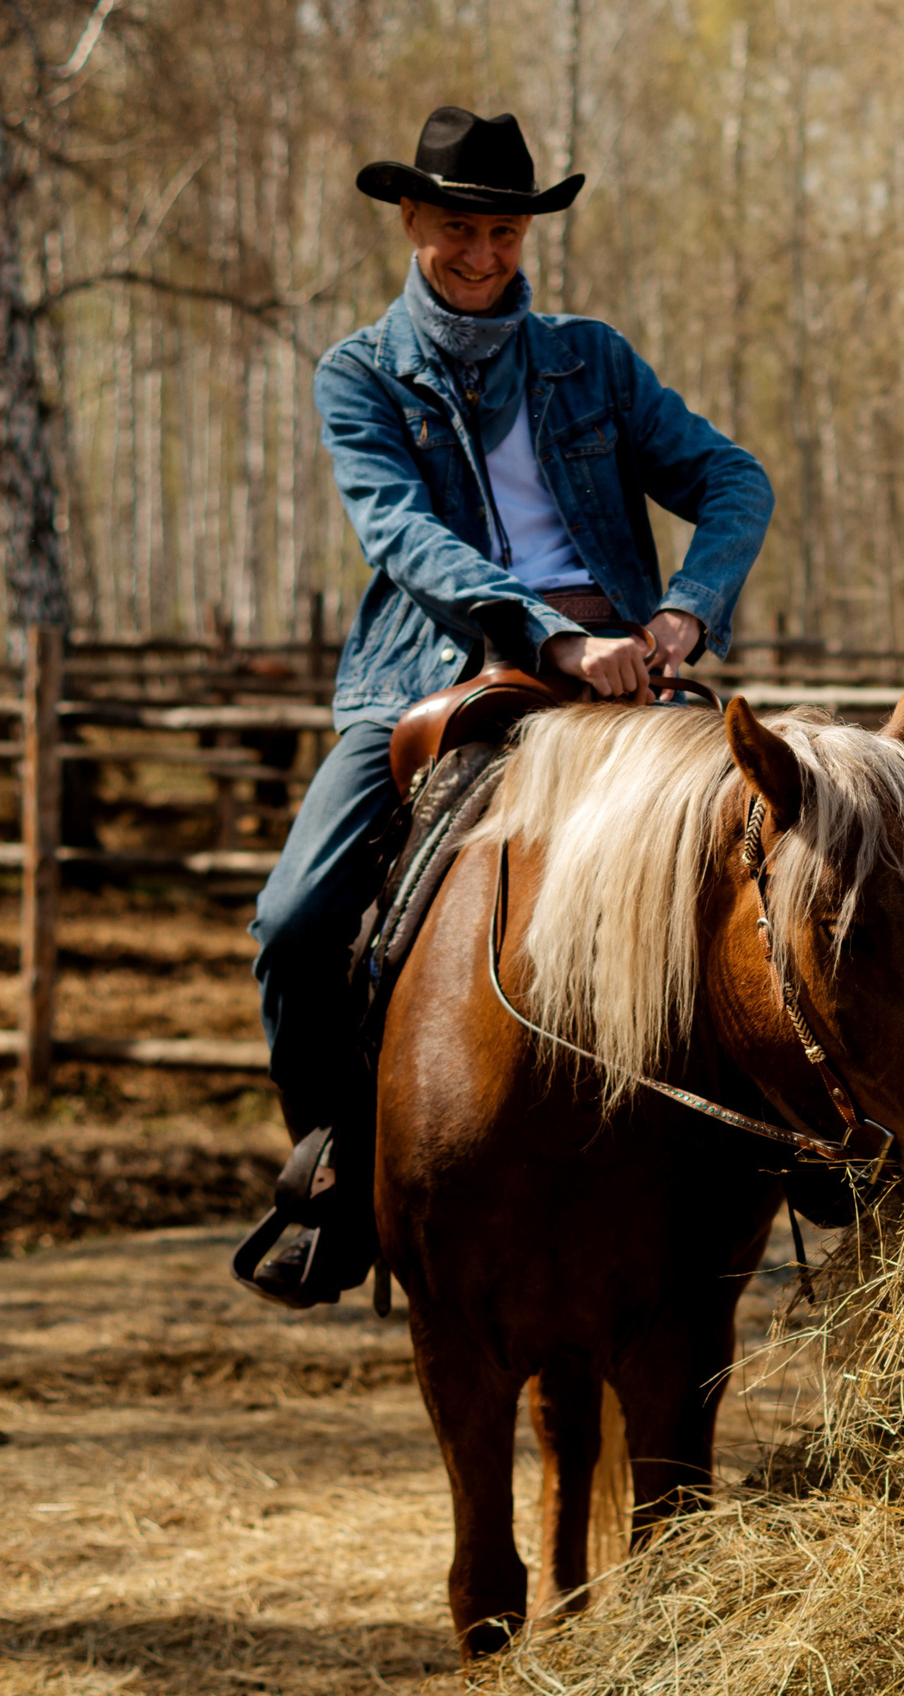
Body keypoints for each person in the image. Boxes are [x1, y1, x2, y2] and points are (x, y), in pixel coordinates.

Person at [236, 108, 773, 1306]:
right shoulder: (360, 373)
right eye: (455, 228)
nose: (481, 253)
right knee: (293, 918)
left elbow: (733, 478)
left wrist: (683, 613)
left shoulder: (592, 359)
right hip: (433, 673)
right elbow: (401, 532)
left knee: (789, 848)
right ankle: (338, 1164)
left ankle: (810, 1132)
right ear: (411, 223)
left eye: (502, 230)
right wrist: (547, 634)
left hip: (633, 666)